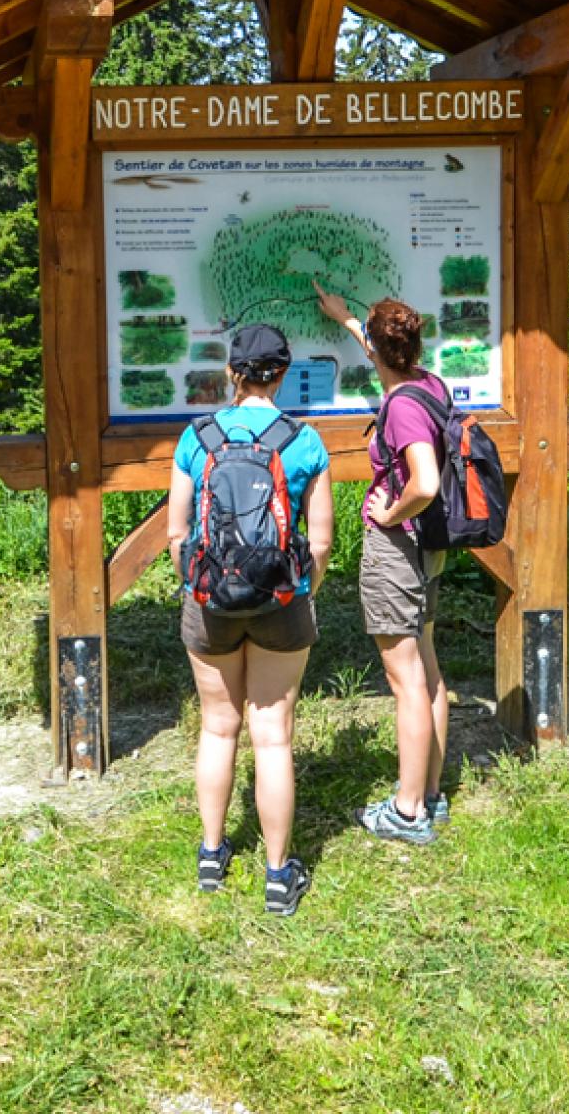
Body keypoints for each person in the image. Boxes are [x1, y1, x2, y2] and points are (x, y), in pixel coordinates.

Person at [167, 323, 333, 913]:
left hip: (209, 602)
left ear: (233, 373)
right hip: (282, 604)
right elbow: (320, 542)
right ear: (283, 374)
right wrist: (297, 588)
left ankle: (212, 856)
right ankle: (277, 873)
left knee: (217, 727)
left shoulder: (197, 437)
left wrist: (200, 586)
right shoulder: (305, 442)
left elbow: (177, 533)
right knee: (273, 737)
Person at [313, 282, 450, 844]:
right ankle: (431, 793)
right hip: (431, 547)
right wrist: (346, 320)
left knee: (406, 679)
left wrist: (391, 513)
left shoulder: (399, 409)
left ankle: (408, 809)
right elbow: (383, 356)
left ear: (379, 347)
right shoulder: (427, 383)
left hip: (400, 550)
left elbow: (426, 480)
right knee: (428, 667)